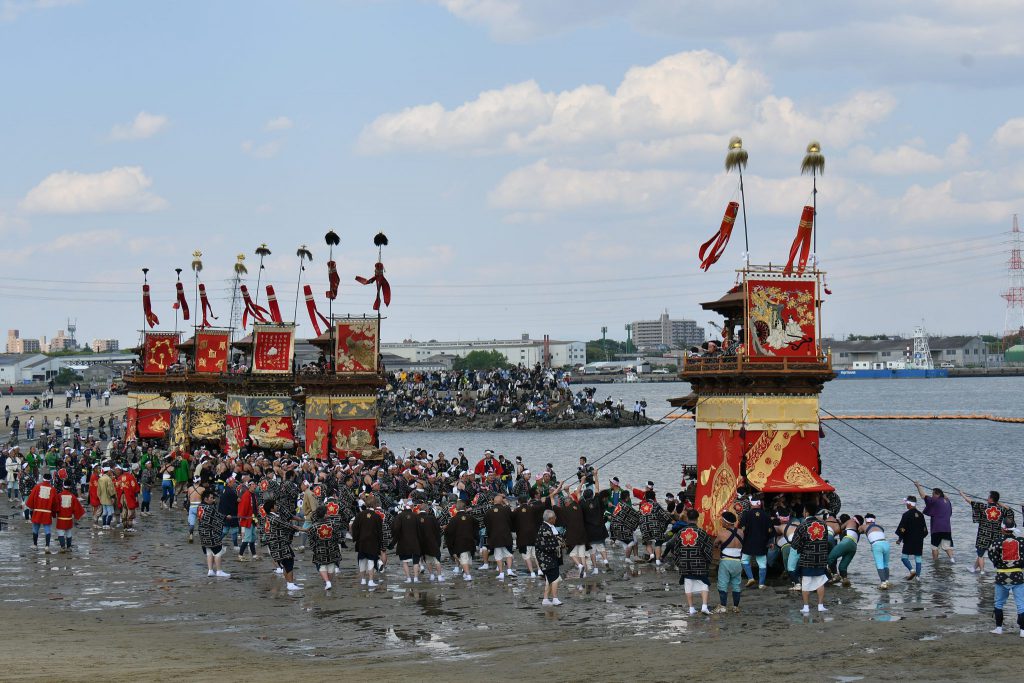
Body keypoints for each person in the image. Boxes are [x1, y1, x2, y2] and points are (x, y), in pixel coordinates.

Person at [663, 508, 713, 615]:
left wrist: (679, 563)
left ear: (687, 518)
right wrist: (707, 561)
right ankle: (704, 606)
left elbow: (675, 550)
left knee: (688, 585)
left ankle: (691, 608)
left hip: (685, 563)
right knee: (704, 584)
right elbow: (708, 550)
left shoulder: (681, 532)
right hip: (699, 563)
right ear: (697, 518)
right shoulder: (702, 532)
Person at [959, 489, 1016, 574]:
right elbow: (1010, 511)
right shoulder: (1002, 510)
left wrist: (962, 494)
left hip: (983, 535)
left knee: (980, 554)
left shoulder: (984, 506)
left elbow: (970, 502)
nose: (987, 498)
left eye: (988, 497)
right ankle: (974, 568)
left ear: (990, 499)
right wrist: (999, 503)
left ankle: (982, 571)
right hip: (996, 536)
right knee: (989, 554)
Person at [987, 518, 1024, 637]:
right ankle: (1023, 631)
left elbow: (991, 555)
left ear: (1003, 528)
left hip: (1002, 576)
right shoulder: (1021, 541)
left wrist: (998, 564)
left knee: (999, 603)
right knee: (1021, 605)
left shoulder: (997, 541)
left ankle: (999, 628)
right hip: (1017, 576)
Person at [793, 509, 831, 613]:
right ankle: (820, 606)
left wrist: (802, 547)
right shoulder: (823, 525)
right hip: (821, 558)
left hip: (807, 558)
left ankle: (806, 607)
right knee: (820, 582)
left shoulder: (803, 525)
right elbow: (827, 540)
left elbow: (795, 544)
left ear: (806, 512)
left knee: (806, 582)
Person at [263, 498, 301, 591]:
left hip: (274, 544)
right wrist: (303, 529)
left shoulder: (268, 517)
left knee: (285, 564)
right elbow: (287, 525)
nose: (277, 507)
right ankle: (290, 584)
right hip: (279, 544)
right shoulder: (274, 518)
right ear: (272, 508)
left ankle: (289, 583)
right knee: (289, 562)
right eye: (275, 505)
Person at [916, 482, 955, 562]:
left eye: (933, 494)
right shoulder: (948, 502)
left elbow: (923, 496)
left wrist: (918, 486)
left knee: (935, 547)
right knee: (947, 546)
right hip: (947, 529)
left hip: (937, 529)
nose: (932, 496)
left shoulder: (935, 501)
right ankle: (952, 559)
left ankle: (935, 562)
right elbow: (946, 498)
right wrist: (942, 494)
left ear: (937, 495)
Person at [351, 495, 384, 588]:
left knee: (362, 561)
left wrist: (356, 538)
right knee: (371, 561)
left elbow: (354, 527)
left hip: (361, 541)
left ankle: (363, 580)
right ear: (374, 505)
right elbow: (380, 531)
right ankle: (370, 580)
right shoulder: (377, 517)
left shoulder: (359, 515)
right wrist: (381, 543)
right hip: (373, 542)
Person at [739, 494, 771, 590]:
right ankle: (761, 584)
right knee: (762, 563)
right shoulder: (766, 515)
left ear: (751, 504)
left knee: (744, 560)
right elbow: (770, 529)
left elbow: (742, 529)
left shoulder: (746, 514)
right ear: (760, 504)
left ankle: (750, 578)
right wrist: (770, 541)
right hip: (762, 543)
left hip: (748, 542)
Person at [196, 489, 230, 578]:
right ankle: (219, 571)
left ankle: (210, 570)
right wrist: (226, 517)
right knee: (218, 551)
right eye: (211, 498)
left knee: (209, 551)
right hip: (210, 532)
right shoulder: (209, 508)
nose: (213, 499)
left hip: (202, 532)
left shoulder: (200, 507)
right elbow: (218, 517)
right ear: (206, 499)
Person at [714, 511, 744, 613]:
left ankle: (723, 606)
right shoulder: (741, 532)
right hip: (738, 562)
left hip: (726, 561)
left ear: (727, 523)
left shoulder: (722, 533)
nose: (721, 522)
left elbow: (715, 544)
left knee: (723, 584)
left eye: (722, 520)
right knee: (736, 584)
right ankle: (736, 607)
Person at [483, 493, 515, 580]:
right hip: (506, 535)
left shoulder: (488, 512)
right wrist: (507, 504)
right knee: (508, 554)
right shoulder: (506, 510)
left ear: (493, 502)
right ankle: (509, 570)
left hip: (494, 536)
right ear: (502, 502)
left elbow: (486, 524)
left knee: (498, 556)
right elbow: (512, 518)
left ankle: (501, 573)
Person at [445, 499, 478, 582]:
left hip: (459, 543)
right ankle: (466, 573)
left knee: (464, 560)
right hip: (470, 542)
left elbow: (448, 533)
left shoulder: (453, 519)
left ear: (456, 508)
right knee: (468, 560)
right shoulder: (471, 518)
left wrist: (451, 547)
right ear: (465, 508)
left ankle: (468, 575)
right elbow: (476, 529)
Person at [896, 496, 928, 581]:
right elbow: (925, 530)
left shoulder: (906, 515)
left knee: (904, 557)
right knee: (918, 558)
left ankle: (911, 570)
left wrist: (900, 539)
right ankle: (918, 577)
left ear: (909, 504)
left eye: (906, 504)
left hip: (909, 540)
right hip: (919, 540)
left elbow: (902, 528)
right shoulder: (921, 515)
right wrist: (920, 538)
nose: (906, 505)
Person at [536, 509, 564, 606]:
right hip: (547, 558)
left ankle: (545, 599)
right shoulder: (545, 529)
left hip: (550, 557)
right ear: (550, 519)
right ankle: (555, 598)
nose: (556, 518)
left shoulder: (548, 527)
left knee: (549, 579)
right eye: (554, 517)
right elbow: (551, 544)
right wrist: (560, 543)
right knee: (555, 578)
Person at [53, 472, 85, 553]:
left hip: (60, 518)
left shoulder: (59, 496)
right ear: (70, 488)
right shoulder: (73, 497)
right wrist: (76, 518)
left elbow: (55, 506)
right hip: (69, 518)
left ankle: (63, 547)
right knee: (69, 532)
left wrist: (54, 513)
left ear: (63, 487)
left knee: (60, 533)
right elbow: (78, 508)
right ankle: (69, 547)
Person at [25, 472, 57, 552]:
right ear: (50, 480)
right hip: (47, 513)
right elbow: (55, 503)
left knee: (35, 529)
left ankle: (35, 545)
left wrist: (32, 510)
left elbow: (31, 499)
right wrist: (53, 513)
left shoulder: (37, 487)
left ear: (43, 478)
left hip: (37, 512)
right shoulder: (53, 489)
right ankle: (47, 546)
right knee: (47, 530)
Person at [392, 501, 423, 583]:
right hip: (415, 542)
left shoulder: (399, 516)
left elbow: (395, 530)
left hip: (403, 543)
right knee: (416, 561)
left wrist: (393, 542)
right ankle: (416, 578)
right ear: (412, 507)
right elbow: (420, 530)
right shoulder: (416, 516)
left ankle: (408, 578)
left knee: (405, 561)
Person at [828, 514, 863, 587]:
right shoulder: (857, 530)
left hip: (847, 541)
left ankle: (833, 575)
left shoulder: (850, 521)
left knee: (830, 558)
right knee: (842, 566)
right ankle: (845, 579)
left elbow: (840, 528)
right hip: (853, 547)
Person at [860, 513, 892, 589]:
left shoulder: (864, 526)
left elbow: (859, 530)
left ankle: (883, 583)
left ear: (866, 520)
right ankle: (887, 581)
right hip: (886, 544)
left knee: (879, 564)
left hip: (876, 545)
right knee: (886, 564)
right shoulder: (880, 527)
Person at [237, 479, 258, 561]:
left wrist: (256, 519)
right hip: (248, 519)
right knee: (247, 538)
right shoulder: (246, 495)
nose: (254, 486)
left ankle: (254, 555)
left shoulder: (254, 495)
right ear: (249, 486)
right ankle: (240, 555)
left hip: (253, 518)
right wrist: (243, 517)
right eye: (253, 484)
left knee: (253, 537)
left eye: (255, 484)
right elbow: (243, 507)